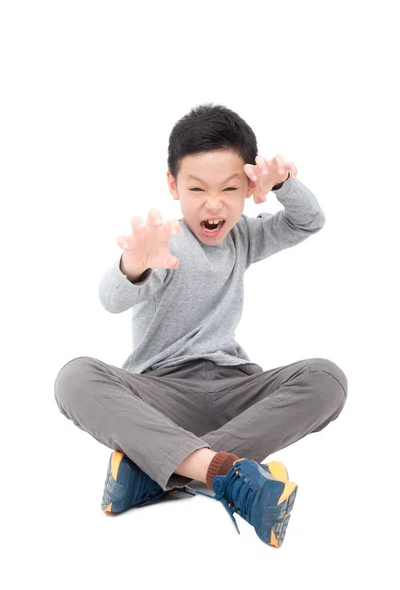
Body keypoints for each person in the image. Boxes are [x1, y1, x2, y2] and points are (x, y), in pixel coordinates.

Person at [54, 102, 347, 548]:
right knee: (74, 378)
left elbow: (309, 221)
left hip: (237, 392)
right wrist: (134, 265)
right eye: (197, 189)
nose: (214, 204)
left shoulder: (245, 236)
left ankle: (160, 470)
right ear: (173, 186)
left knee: (328, 379)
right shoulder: (163, 243)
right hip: (160, 395)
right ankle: (221, 473)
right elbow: (111, 299)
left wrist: (284, 182)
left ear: (249, 187)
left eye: (230, 189)